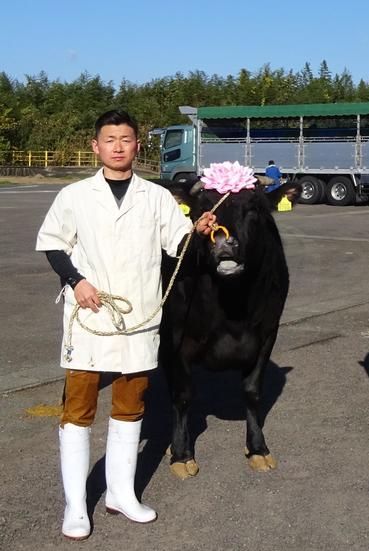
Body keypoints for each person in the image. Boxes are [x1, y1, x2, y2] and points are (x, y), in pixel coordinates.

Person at [36, 109, 217, 540]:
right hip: (90, 315)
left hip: (139, 316)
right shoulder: (74, 195)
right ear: (96, 146)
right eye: (110, 139)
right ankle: (76, 504)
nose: (118, 146)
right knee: (78, 409)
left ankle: (120, 493)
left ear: (138, 145)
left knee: (130, 405)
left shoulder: (157, 197)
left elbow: (178, 245)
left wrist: (199, 229)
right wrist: (75, 280)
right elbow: (53, 244)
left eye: (126, 139)